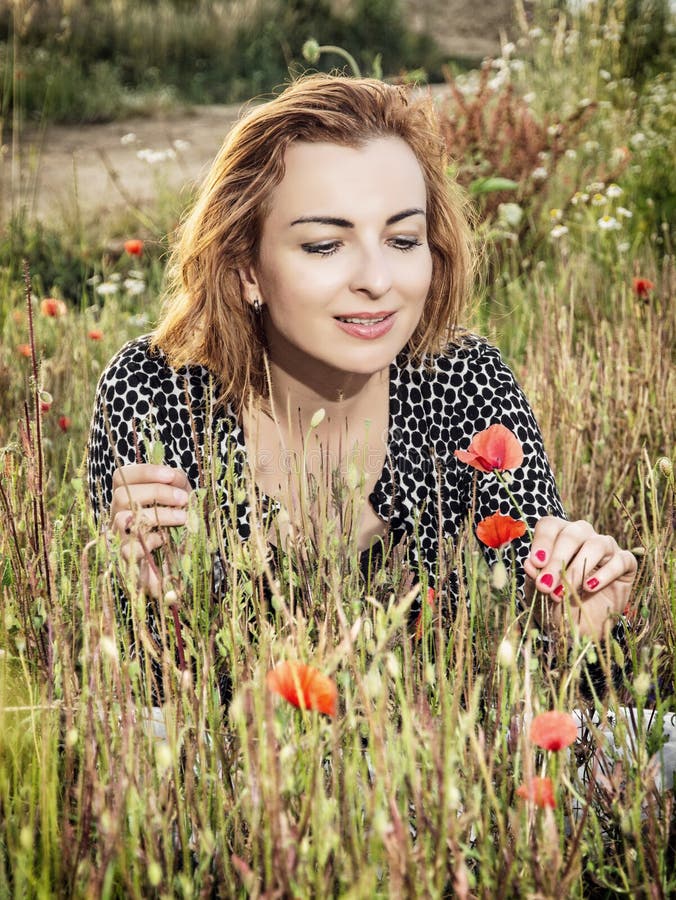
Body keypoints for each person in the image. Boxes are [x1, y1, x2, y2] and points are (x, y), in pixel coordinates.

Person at [87, 74, 636, 646]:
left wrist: (580, 622)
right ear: (246, 267)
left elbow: (551, 661)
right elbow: (133, 693)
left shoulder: (466, 385)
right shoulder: (154, 394)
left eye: (403, 240)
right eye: (325, 245)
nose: (377, 281)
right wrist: (133, 596)